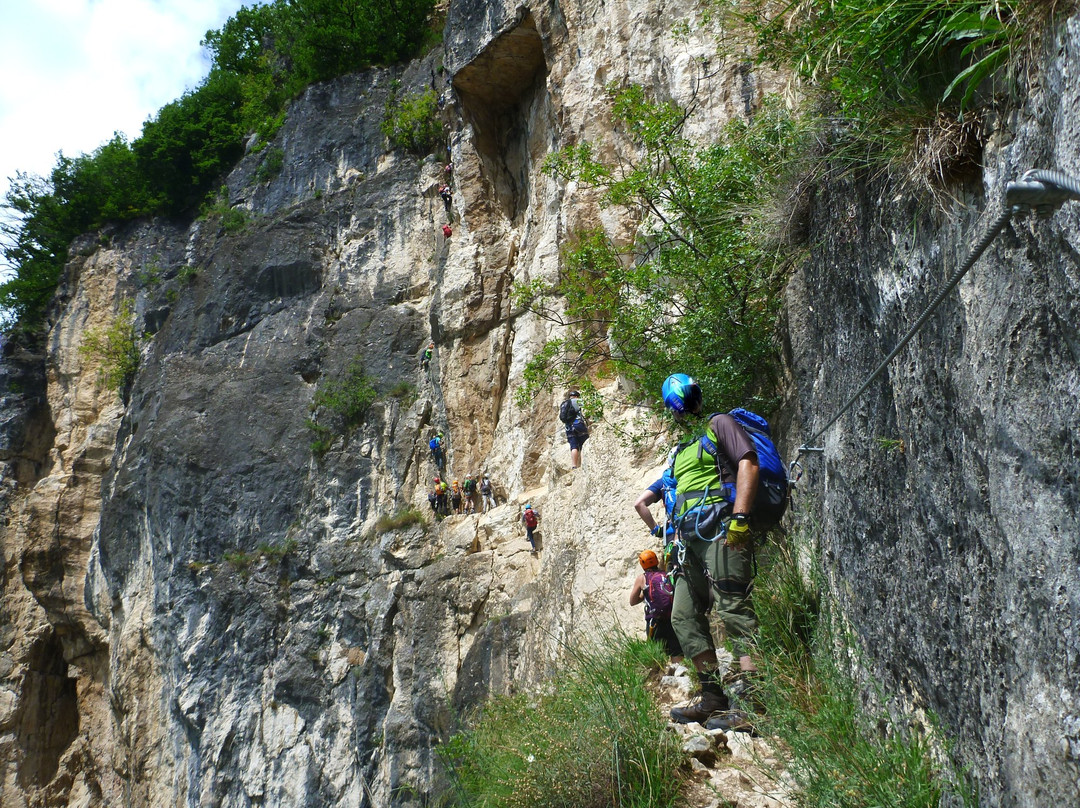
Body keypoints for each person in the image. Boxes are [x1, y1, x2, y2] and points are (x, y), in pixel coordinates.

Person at [661, 373, 761, 730]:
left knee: (733, 608)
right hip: (689, 544)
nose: (684, 410)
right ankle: (713, 697)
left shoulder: (719, 424)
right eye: (680, 405)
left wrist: (741, 518)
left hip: (722, 530)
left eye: (688, 402)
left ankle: (756, 703)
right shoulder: (679, 450)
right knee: (683, 617)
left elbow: (748, 462)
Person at [629, 550, 682, 660]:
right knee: (675, 650)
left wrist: (645, 593)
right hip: (671, 617)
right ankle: (680, 673)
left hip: (654, 620)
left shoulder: (642, 578)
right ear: (656, 561)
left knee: (656, 652)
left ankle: (661, 674)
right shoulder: (665, 574)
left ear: (642, 564)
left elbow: (632, 601)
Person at [558, 390, 589, 469]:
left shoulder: (564, 404)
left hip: (568, 428)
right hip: (578, 425)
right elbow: (588, 408)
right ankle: (583, 464)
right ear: (577, 396)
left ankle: (574, 466)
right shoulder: (577, 401)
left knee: (574, 446)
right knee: (584, 444)